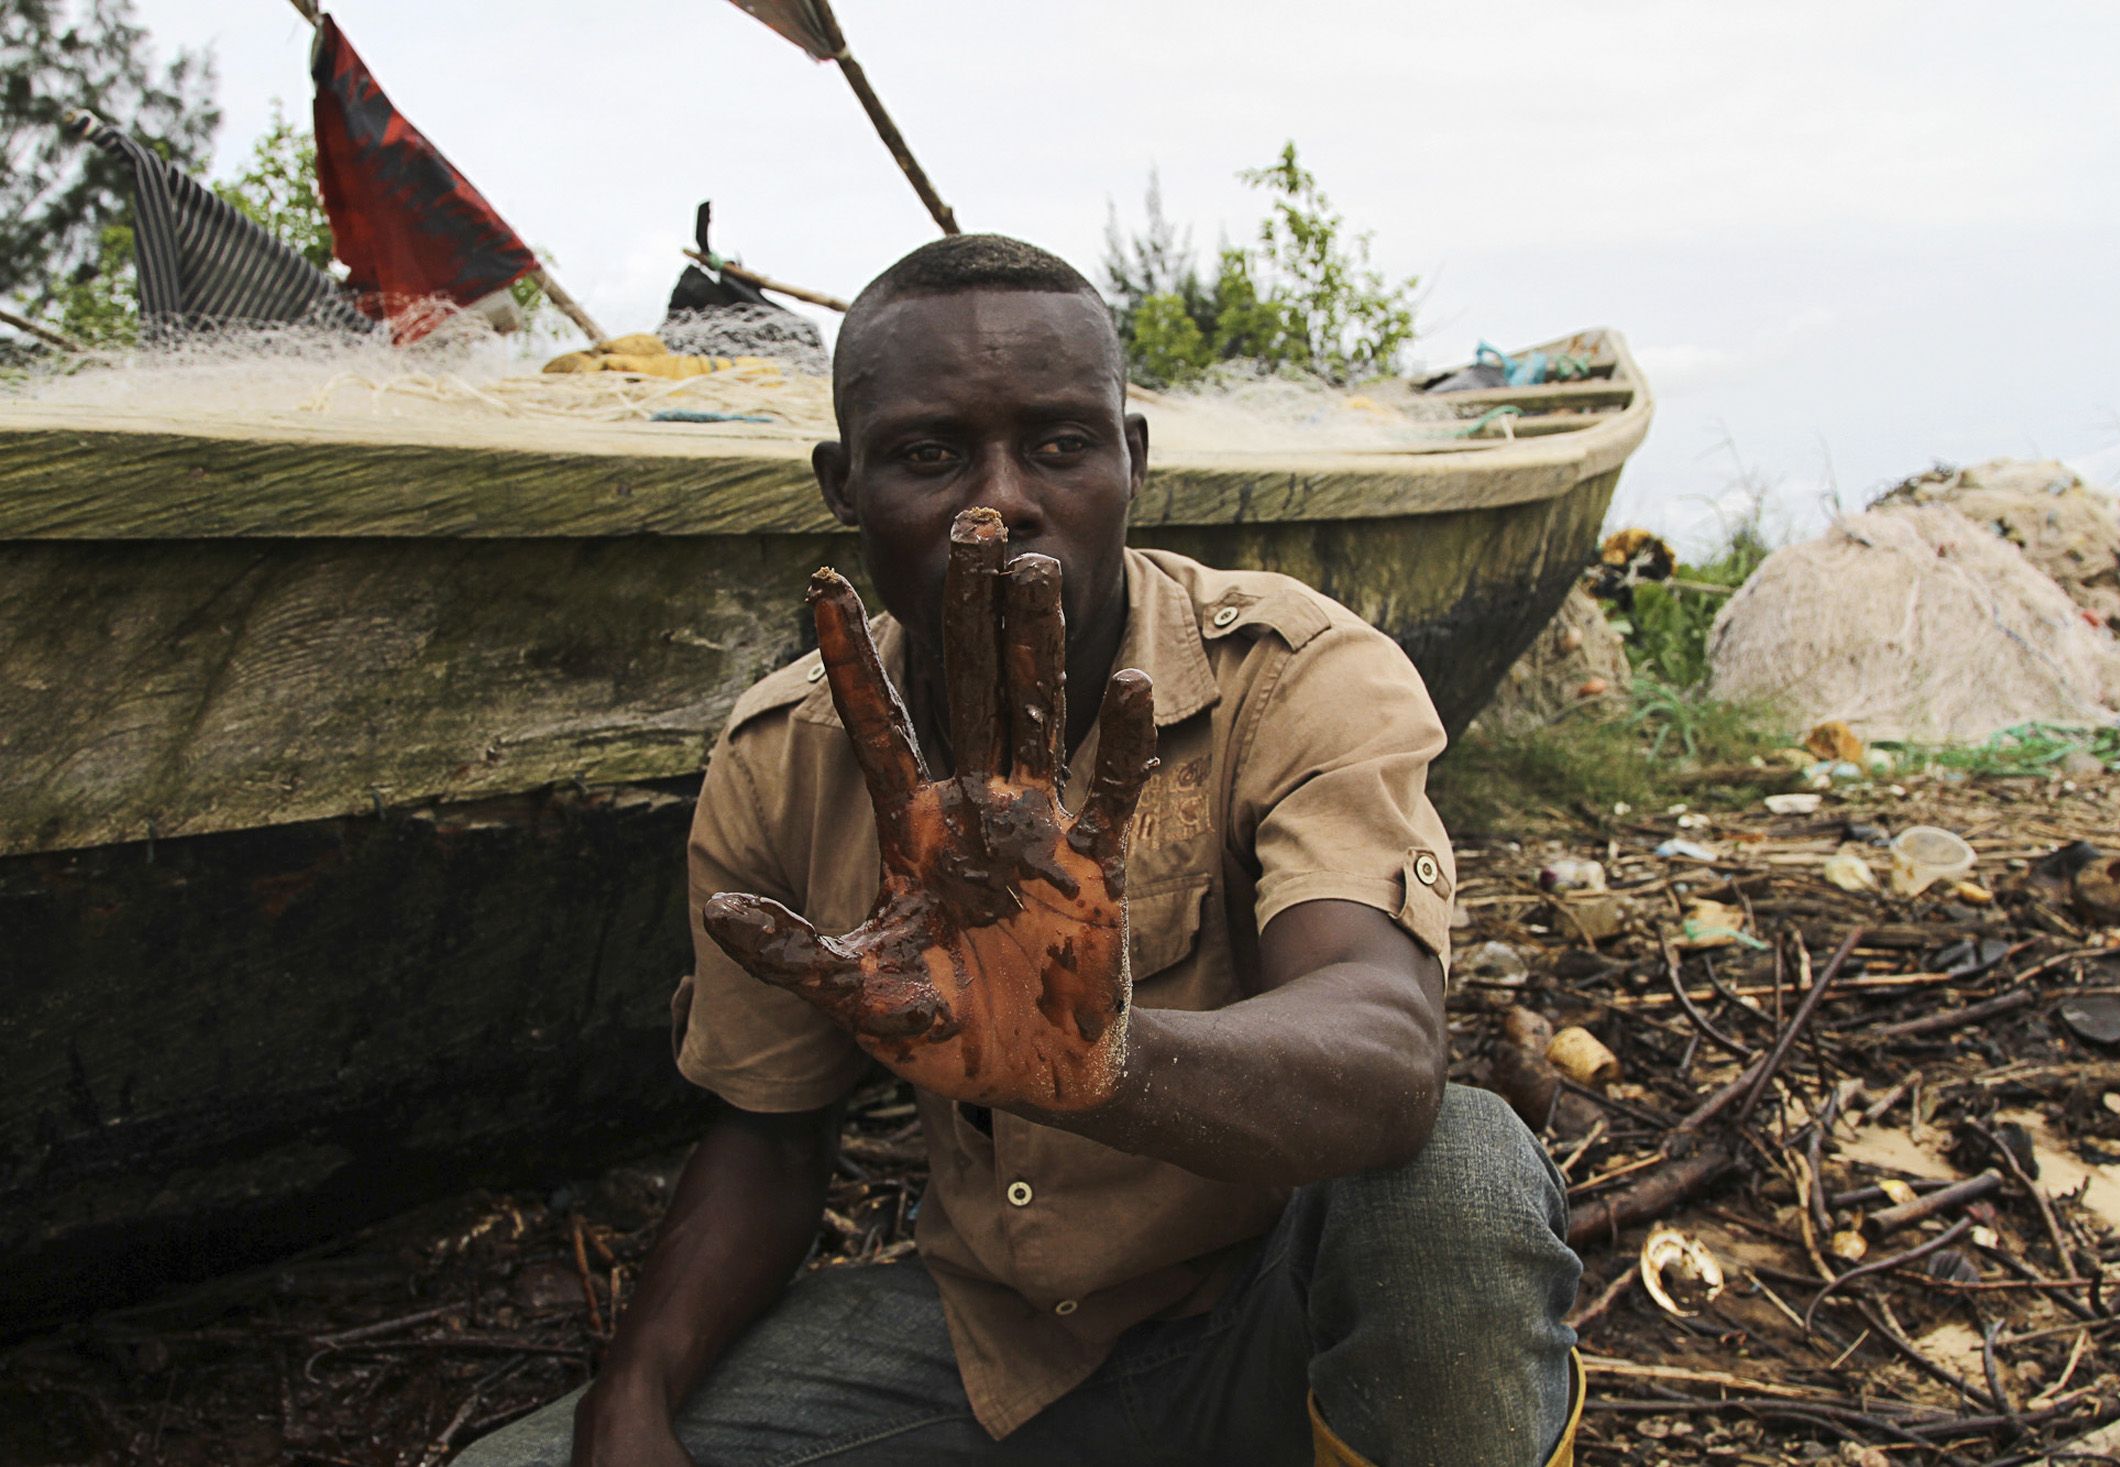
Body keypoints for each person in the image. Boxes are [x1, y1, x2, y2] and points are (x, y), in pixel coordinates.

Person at [456, 235, 1581, 1467]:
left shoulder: (1296, 674)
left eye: (1059, 445)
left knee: (1466, 1168)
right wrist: (634, 1394)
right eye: (929, 455)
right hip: (1002, 1356)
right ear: (843, 485)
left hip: (1280, 1320)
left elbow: (1383, 1050)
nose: (1003, 501)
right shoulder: (787, 754)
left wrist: (1102, 1061)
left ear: (1130, 461)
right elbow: (769, 1136)